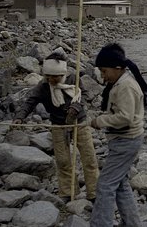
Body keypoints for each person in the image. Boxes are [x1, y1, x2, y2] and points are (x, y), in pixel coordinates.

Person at [73, 43, 147, 227]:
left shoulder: (125, 86)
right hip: (125, 140)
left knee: (105, 185)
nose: (102, 76)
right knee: (120, 183)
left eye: (104, 71)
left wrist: (99, 121)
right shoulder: (121, 82)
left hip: (126, 141)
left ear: (117, 68)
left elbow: (125, 118)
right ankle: (132, 225)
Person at [14, 50, 99, 202]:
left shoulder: (73, 79)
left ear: (63, 74)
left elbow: (85, 95)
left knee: (89, 158)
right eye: (49, 77)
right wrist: (20, 117)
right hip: (58, 125)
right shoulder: (43, 87)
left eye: (56, 77)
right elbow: (30, 102)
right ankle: (68, 192)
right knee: (63, 160)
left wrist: (76, 107)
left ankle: (94, 192)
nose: (53, 79)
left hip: (79, 122)